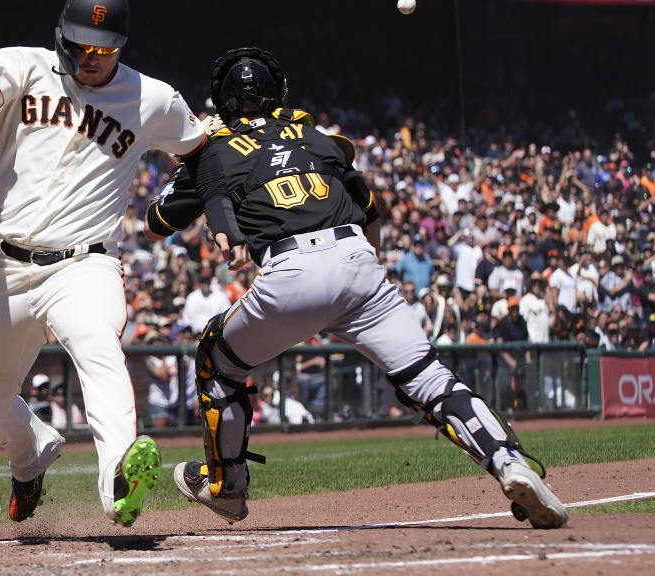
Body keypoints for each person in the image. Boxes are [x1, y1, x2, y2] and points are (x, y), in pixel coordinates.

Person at [167, 47, 566, 529]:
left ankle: (227, 489)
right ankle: (510, 461)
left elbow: (158, 221)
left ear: (222, 102)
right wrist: (361, 264)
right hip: (358, 262)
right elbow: (372, 210)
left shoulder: (216, 148)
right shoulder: (318, 137)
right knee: (430, 378)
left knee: (217, 360)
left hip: (289, 272)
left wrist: (190, 177)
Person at [0, 0, 205, 526]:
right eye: (81, 44)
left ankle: (118, 481)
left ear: (121, 45)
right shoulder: (28, 65)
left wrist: (197, 209)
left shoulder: (152, 97)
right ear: (62, 36)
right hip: (3, 268)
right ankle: (31, 450)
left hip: (86, 263)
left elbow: (201, 153)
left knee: (95, 345)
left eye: (103, 48)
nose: (91, 56)